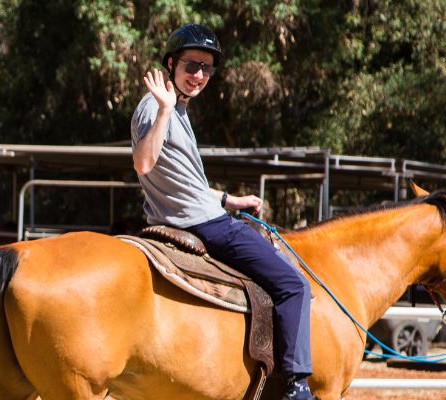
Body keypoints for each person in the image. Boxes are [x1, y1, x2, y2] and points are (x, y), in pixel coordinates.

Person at [130, 23, 316, 400]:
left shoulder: (177, 108)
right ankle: (296, 386)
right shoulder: (158, 106)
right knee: (294, 285)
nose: (198, 75)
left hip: (201, 213)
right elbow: (144, 163)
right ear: (171, 63)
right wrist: (165, 110)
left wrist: (230, 200)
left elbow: (186, 183)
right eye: (190, 65)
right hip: (205, 226)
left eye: (205, 68)